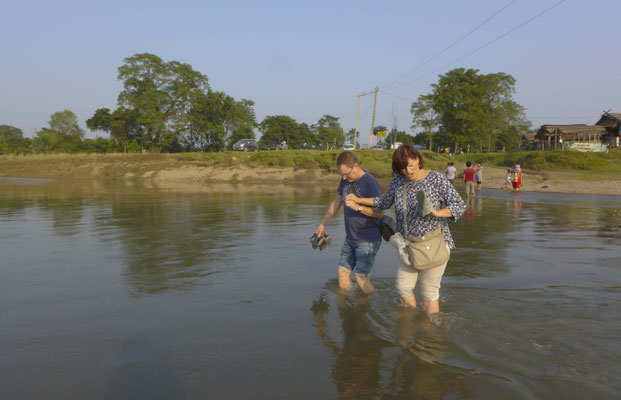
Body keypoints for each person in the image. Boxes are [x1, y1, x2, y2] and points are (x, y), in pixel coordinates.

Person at [346, 145, 466, 314]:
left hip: (434, 244)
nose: (408, 171)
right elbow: (384, 202)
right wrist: (358, 200)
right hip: (407, 246)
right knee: (403, 289)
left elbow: (459, 205)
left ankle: (428, 334)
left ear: (418, 160)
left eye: (410, 165)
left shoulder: (435, 178)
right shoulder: (398, 180)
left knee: (429, 294)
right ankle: (410, 327)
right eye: (403, 167)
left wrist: (438, 212)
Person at [316, 151, 383, 294]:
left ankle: (370, 305)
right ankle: (349, 306)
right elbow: (337, 201)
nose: (344, 178)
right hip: (350, 238)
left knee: (360, 278)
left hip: (368, 239)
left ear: (356, 165)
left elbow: (380, 213)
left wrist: (358, 207)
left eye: (347, 174)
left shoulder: (369, 182)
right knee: (342, 273)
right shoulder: (345, 179)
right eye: (341, 175)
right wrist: (323, 224)